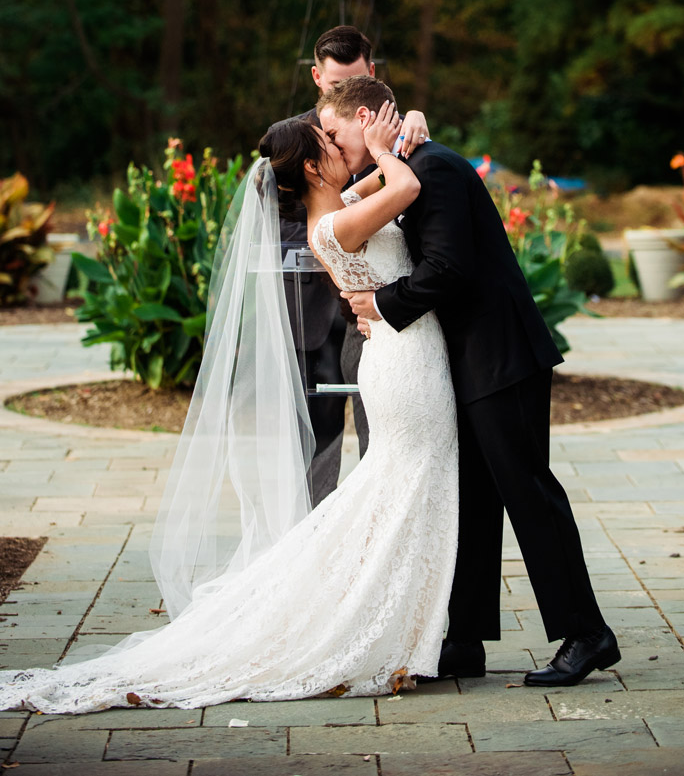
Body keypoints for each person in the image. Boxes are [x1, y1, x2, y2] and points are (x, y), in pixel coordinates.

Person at [0, 104, 458, 712]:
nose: (339, 146)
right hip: (404, 368)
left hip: (404, 358)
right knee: (400, 488)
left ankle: (395, 621)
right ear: (319, 168)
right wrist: (383, 151)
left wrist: (407, 127)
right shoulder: (334, 227)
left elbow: (383, 181)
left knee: (400, 490)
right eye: (329, 141)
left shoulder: (338, 209)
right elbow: (404, 183)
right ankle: (371, 621)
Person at [319, 75, 620, 689]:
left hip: (501, 356)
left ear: (369, 117)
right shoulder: (404, 165)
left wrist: (381, 303)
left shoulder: (440, 169)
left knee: (529, 494)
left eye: (334, 130)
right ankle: (464, 639)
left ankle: (586, 633)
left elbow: (449, 269)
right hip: (464, 361)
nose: (331, 142)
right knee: (473, 500)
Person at [281, 25, 429, 503]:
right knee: (316, 439)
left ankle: (370, 519)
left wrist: (410, 123)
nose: (343, 91)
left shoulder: (394, 128)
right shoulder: (301, 142)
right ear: (316, 78)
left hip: (387, 315)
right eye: (334, 82)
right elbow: (291, 225)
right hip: (320, 310)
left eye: (354, 79)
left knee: (381, 439)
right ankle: (315, 532)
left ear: (370, 72)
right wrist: (349, 278)